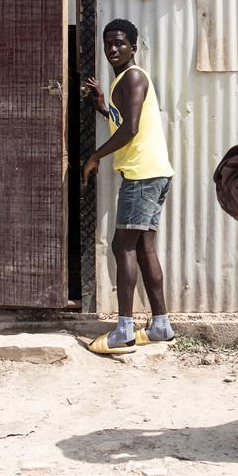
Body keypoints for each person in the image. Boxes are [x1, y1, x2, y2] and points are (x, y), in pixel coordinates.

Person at [81, 19, 176, 354]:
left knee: (123, 247)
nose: (113, 49)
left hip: (141, 175)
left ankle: (124, 330)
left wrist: (94, 157)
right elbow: (124, 121)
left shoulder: (134, 77)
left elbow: (130, 130)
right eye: (108, 43)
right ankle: (161, 325)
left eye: (120, 43)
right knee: (144, 248)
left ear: (134, 46)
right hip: (151, 173)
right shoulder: (125, 79)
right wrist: (103, 106)